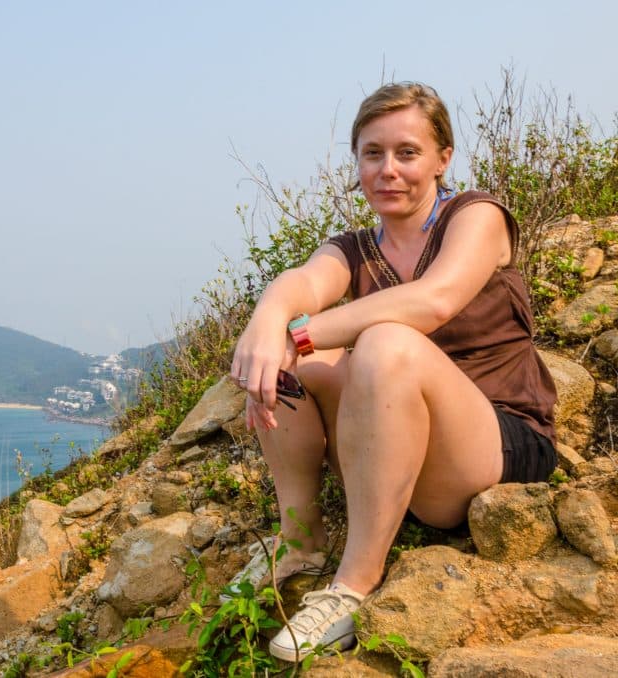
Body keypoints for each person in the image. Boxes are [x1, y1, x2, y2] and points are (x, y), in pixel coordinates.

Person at [228, 82, 558, 662]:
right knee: (290, 370)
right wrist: (268, 320)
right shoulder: (353, 248)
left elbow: (435, 300)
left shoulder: (476, 216)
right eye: (371, 153)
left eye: (407, 152)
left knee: (383, 343)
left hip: (497, 444)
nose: (388, 169)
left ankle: (353, 586)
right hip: (402, 448)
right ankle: (301, 544)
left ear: (442, 160)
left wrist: (297, 334)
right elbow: (304, 283)